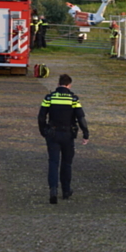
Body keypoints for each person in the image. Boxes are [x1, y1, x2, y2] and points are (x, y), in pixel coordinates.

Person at [38, 73, 89, 204]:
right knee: (67, 163)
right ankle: (66, 191)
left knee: (53, 162)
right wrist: (85, 133)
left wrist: (43, 131)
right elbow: (81, 117)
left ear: (58, 84)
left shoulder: (49, 97)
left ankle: (53, 190)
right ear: (69, 85)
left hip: (53, 133)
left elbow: (41, 116)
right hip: (68, 135)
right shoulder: (73, 99)